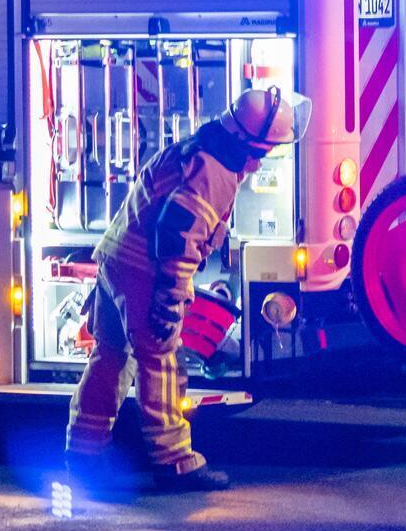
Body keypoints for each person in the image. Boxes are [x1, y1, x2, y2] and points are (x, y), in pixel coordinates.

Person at [64, 86, 310, 494]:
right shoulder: (213, 173)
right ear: (252, 146)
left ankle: (84, 451)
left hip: (116, 258)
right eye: (267, 150)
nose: (262, 160)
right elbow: (177, 238)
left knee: (109, 357)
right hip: (144, 269)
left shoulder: (196, 149)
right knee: (161, 361)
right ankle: (175, 463)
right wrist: (169, 301)